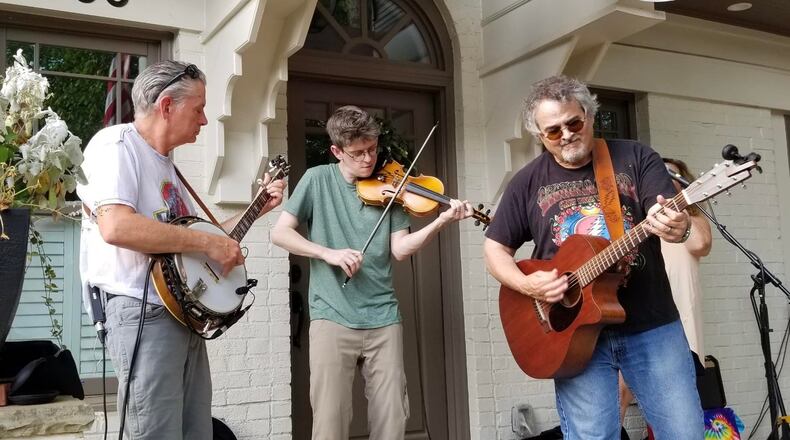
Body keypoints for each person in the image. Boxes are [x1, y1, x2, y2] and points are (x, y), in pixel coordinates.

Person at [483, 75, 703, 439]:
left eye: (573, 122)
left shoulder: (636, 157)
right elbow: (495, 249)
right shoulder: (526, 182)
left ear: (588, 114)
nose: (566, 134)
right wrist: (527, 284)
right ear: (539, 135)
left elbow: (671, 219)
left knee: (684, 433)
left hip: (651, 324)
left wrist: (677, 226)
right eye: (553, 131)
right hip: (573, 335)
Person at [77, 60, 284, 440]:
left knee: (194, 433)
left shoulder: (168, 167)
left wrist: (255, 208)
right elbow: (116, 225)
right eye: (199, 108)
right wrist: (208, 242)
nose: (204, 120)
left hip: (180, 314)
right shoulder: (116, 145)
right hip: (143, 312)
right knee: (154, 432)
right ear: (167, 105)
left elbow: (196, 241)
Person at [271, 105, 472, 440]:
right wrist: (328, 253)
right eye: (358, 152)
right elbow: (279, 233)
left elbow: (400, 249)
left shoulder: (391, 185)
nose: (368, 159)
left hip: (383, 317)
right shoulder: (317, 180)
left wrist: (441, 221)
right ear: (337, 151)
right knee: (330, 420)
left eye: (373, 149)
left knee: (392, 418)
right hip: (332, 315)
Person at [617, 158, 713, 435]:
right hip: (634, 327)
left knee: (673, 417)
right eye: (659, 173)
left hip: (676, 332)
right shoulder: (635, 227)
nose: (664, 179)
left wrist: (678, 213)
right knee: (615, 402)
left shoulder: (695, 222)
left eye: (673, 174)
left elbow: (701, 243)